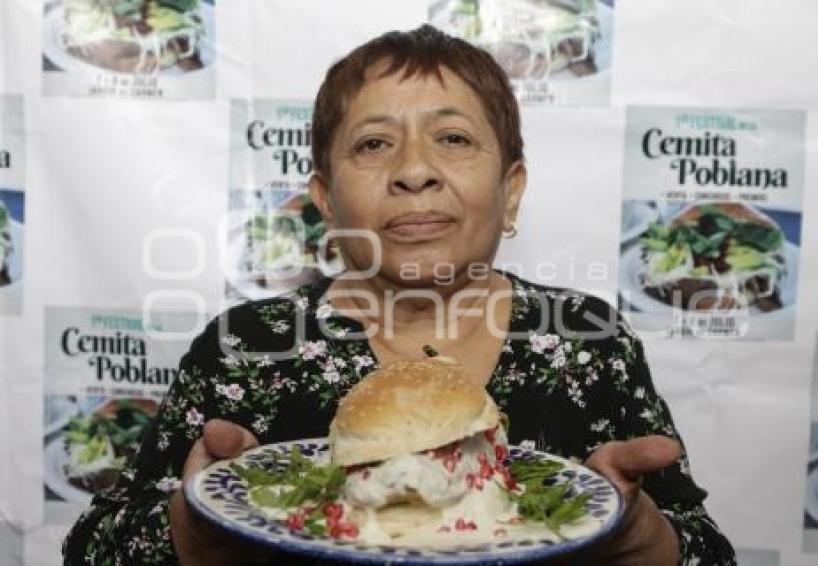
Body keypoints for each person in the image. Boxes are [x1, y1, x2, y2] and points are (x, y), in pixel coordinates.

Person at [63, 25, 736, 566]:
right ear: (325, 200)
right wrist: (195, 531)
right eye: (375, 143)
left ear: (512, 190)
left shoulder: (588, 341)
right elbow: (91, 551)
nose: (414, 171)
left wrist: (637, 538)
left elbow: (707, 553)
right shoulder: (248, 348)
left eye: (453, 138)